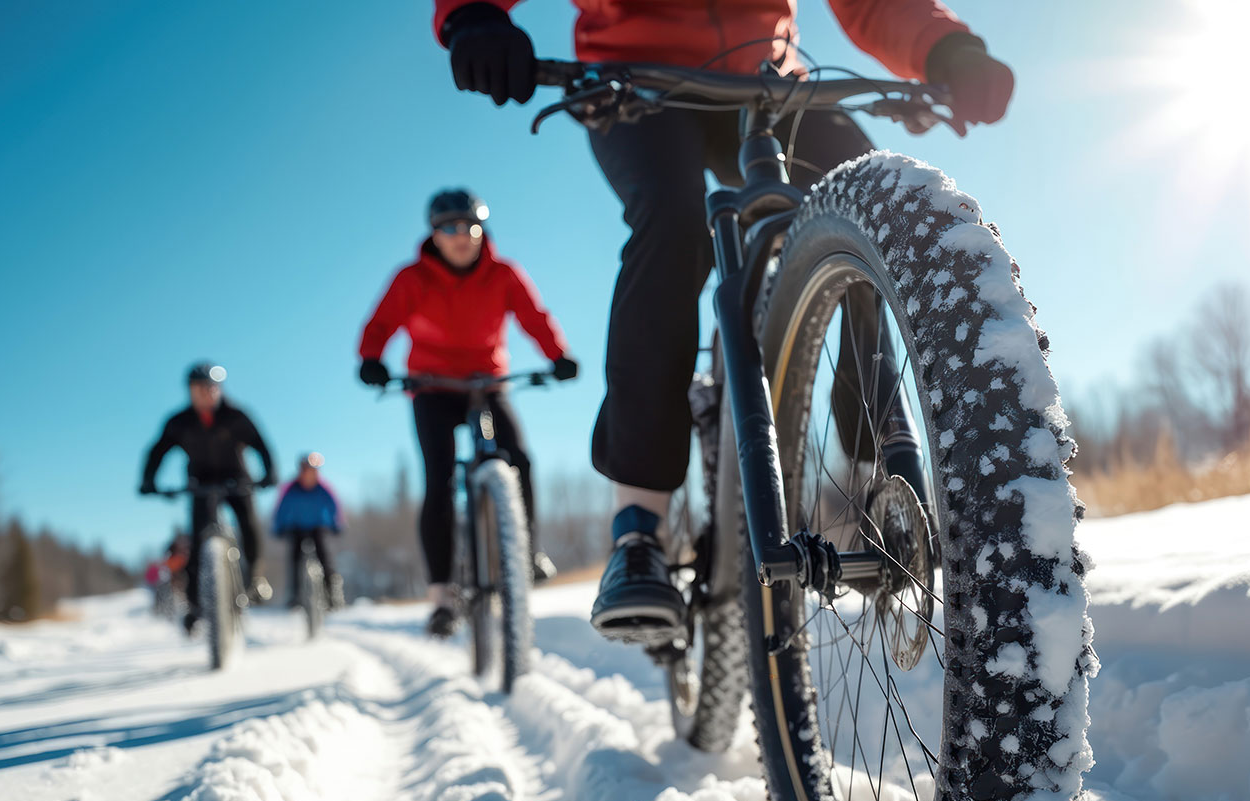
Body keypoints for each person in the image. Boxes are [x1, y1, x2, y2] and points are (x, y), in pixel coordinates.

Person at [433, 0, 1014, 638]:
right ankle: (639, 531)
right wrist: (475, 17)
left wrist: (945, 50)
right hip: (637, 77)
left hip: (771, 75)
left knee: (880, 201)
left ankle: (874, 443)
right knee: (674, 225)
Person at [358, 188, 579, 638]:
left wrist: (559, 355)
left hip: (486, 383)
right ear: (434, 235)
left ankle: (525, 552)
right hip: (431, 387)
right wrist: (372, 359)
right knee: (438, 478)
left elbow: (534, 317)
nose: (461, 236)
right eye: (449, 228)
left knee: (518, 459)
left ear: (482, 230)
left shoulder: (503, 274)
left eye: (469, 227)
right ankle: (441, 596)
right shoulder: (411, 278)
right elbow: (380, 324)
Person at [140, 362, 277, 632]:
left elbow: (262, 445)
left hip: (237, 479)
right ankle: (195, 604)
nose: (206, 393)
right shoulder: (180, 422)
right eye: (200, 388)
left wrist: (269, 474)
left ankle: (256, 579)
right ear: (190, 391)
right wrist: (148, 481)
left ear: (219, 389)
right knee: (199, 540)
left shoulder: (236, 415)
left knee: (248, 524)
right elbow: (157, 451)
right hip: (200, 482)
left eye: (212, 388)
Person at [272, 452, 345, 608]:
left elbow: (334, 507)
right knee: (294, 558)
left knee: (324, 555)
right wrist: (279, 527)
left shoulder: (324, 488)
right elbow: (281, 509)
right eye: (306, 470)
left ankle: (332, 593)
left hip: (318, 526)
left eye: (313, 471)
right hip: (297, 527)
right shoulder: (291, 489)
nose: (309, 475)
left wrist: (337, 524)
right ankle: (295, 596)